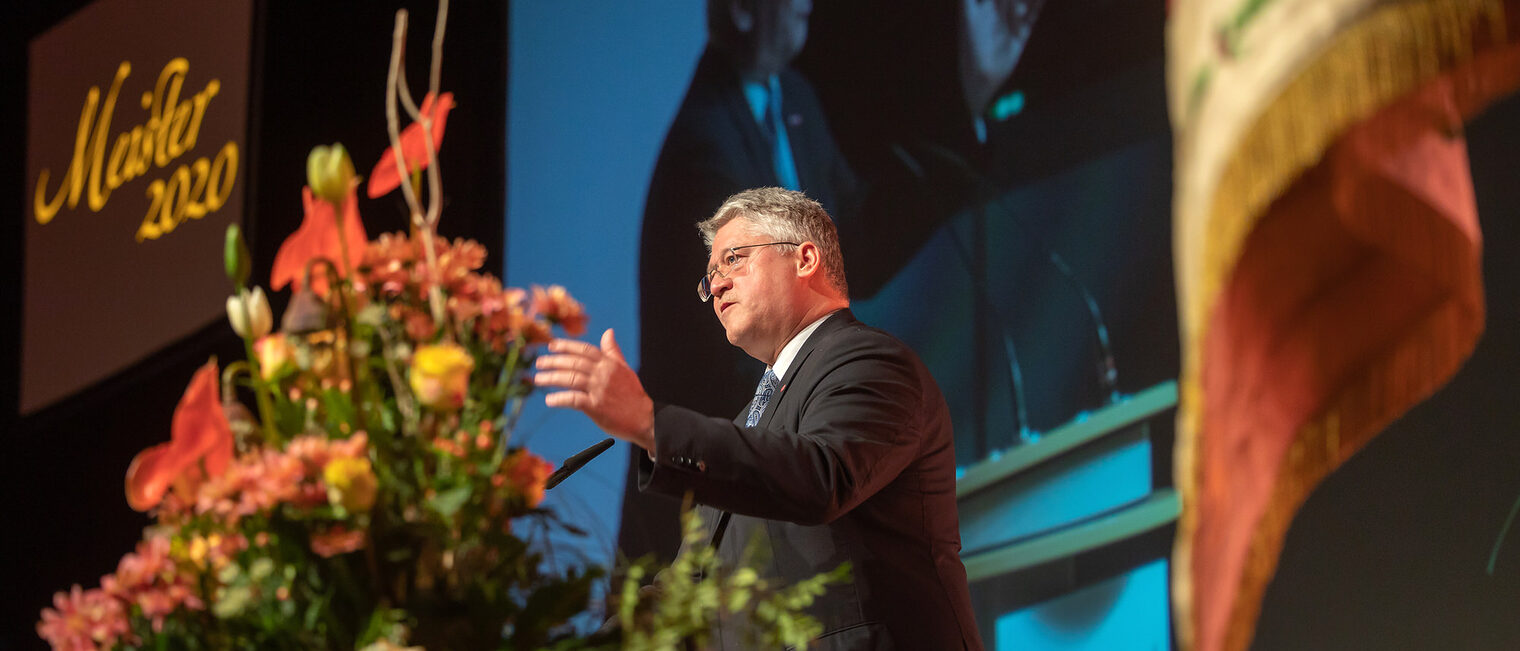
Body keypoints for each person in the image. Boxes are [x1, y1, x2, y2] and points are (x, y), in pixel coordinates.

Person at [539, 188, 984, 650]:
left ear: (805, 258)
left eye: (733, 259)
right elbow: (685, 593)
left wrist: (651, 425)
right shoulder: (748, 422)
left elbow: (820, 477)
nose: (715, 286)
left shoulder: (870, 362)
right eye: (710, 275)